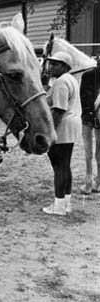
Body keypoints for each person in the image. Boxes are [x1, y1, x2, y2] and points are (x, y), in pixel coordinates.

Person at [42, 51, 82, 216]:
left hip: (62, 126)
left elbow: (58, 110)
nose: (51, 67)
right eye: (51, 63)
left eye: (56, 64)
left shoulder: (61, 82)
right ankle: (65, 203)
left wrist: (48, 130)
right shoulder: (69, 80)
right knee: (65, 166)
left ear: (65, 67)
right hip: (72, 125)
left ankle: (58, 206)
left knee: (58, 166)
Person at [79, 62, 100, 194]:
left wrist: (89, 114)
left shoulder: (88, 74)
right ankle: (98, 182)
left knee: (88, 149)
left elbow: (84, 98)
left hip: (89, 115)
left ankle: (88, 181)